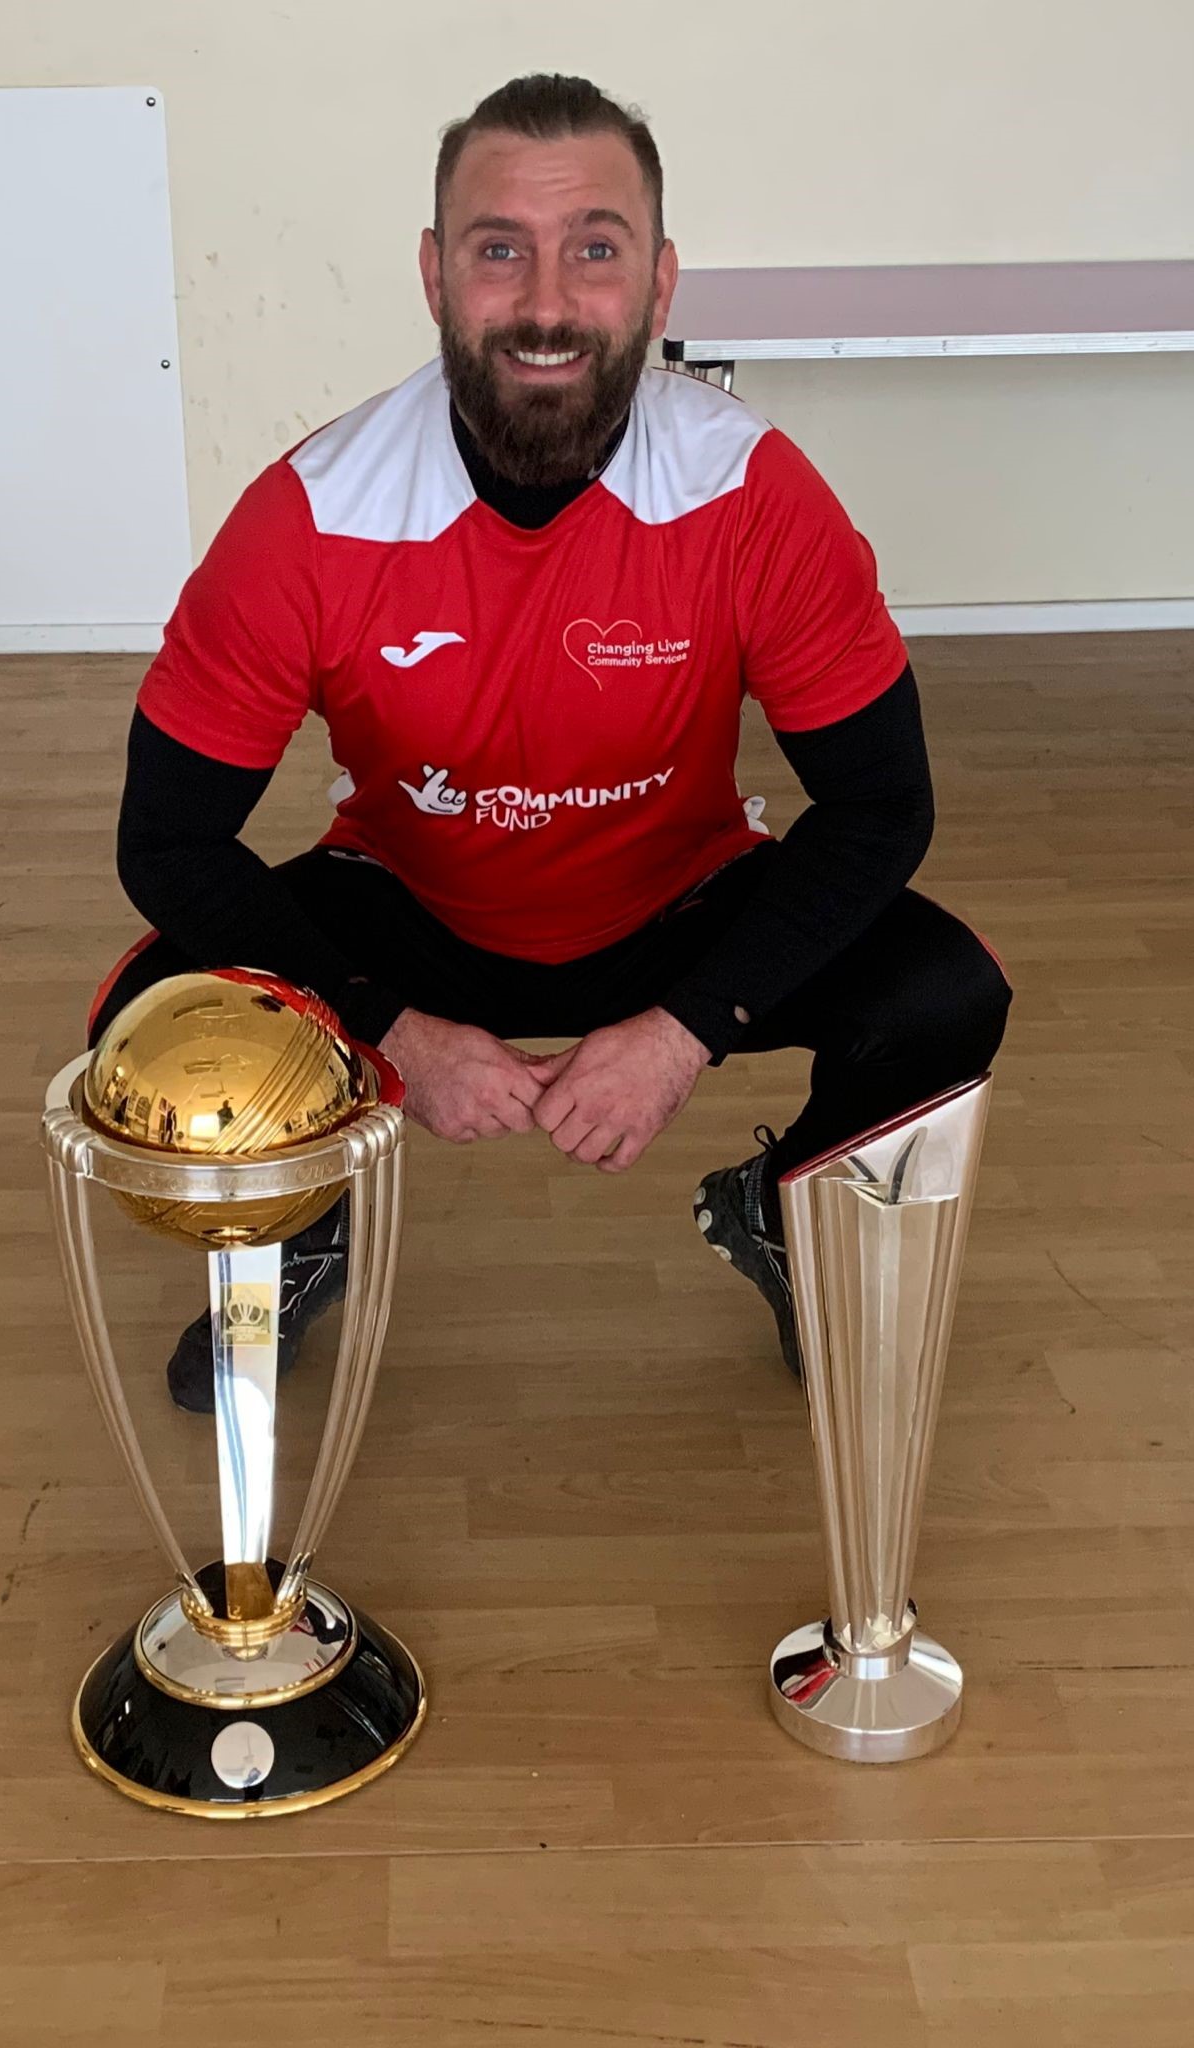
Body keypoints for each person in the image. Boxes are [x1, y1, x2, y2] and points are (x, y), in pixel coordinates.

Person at [91, 72, 1012, 1411]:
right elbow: (166, 840)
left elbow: (881, 805)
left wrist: (686, 1029)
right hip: (411, 913)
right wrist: (390, 1029)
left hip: (675, 903)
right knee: (146, 1017)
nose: (542, 301)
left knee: (943, 995)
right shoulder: (311, 513)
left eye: (594, 248)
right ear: (433, 274)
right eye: (497, 250)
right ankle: (300, 1224)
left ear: (659, 280)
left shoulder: (749, 491)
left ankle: (776, 1207)